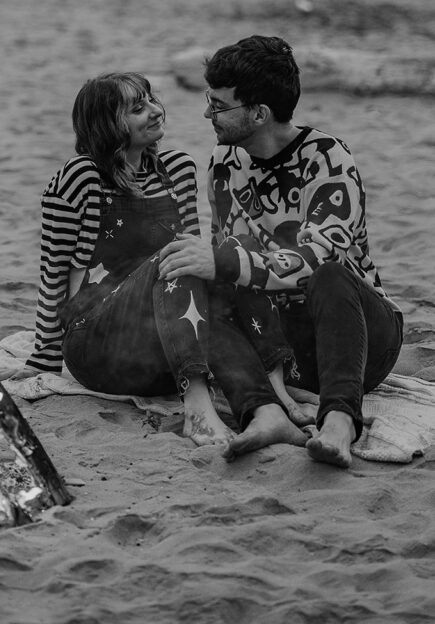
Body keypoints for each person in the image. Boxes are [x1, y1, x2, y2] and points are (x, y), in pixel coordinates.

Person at [158, 35, 403, 468]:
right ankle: (263, 412)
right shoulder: (223, 161)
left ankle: (340, 422)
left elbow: (316, 262)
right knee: (210, 284)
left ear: (259, 112)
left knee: (326, 275)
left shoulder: (326, 158)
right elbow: (226, 248)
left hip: (357, 333)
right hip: (277, 340)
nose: (207, 114)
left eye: (219, 106)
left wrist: (224, 262)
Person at [25, 71, 233, 446]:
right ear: (107, 125)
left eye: (152, 100)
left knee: (200, 261)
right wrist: (43, 362)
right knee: (178, 257)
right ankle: (198, 410)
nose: (155, 111)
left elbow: (197, 275)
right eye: (138, 108)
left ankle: (264, 404)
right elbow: (52, 270)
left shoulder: (179, 170)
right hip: (97, 345)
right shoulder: (81, 178)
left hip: (161, 353)